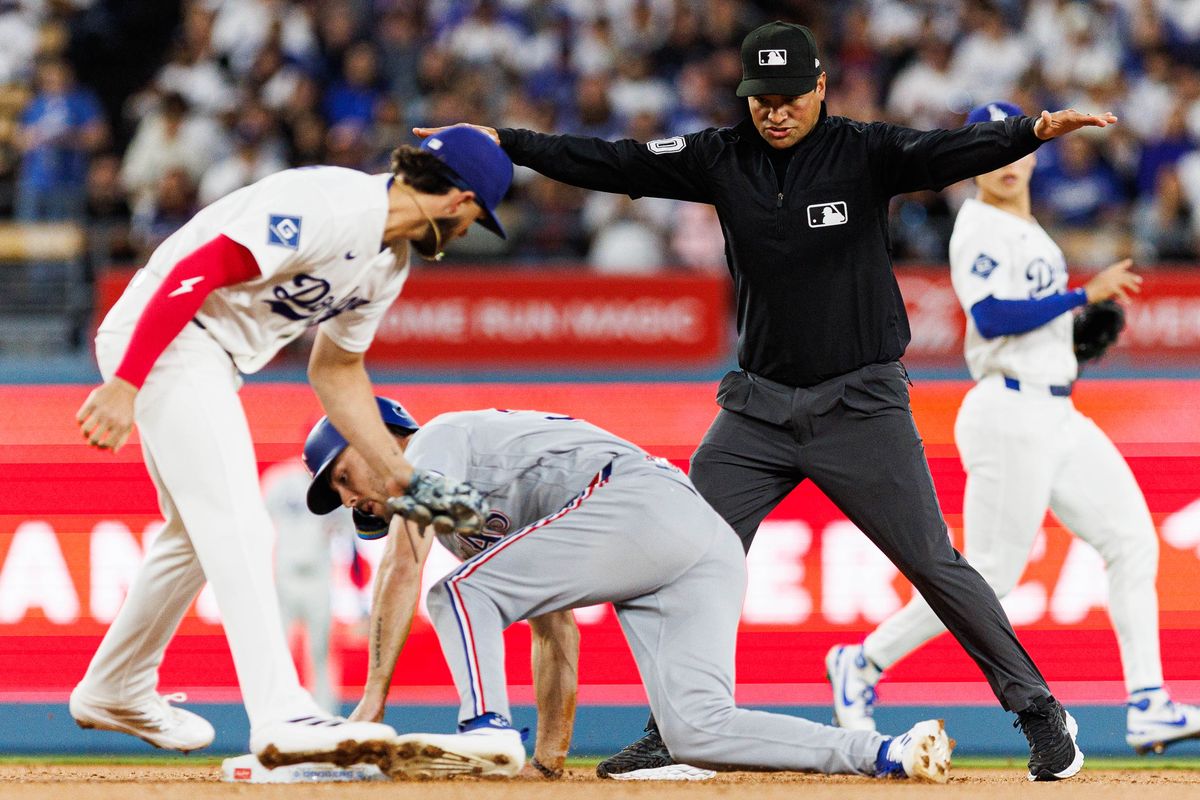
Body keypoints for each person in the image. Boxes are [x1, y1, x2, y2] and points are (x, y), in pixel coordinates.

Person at [414, 20, 1121, 782]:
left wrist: (1030, 131)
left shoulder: (862, 151)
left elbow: (943, 152)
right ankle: (672, 730)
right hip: (755, 412)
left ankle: (1041, 712)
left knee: (934, 563)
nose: (774, 112)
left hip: (860, 407)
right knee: (675, 547)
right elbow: (607, 159)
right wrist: (503, 142)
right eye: (760, 99)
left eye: (789, 97)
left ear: (820, 87)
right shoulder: (720, 159)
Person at [70, 126, 510, 767]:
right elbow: (201, 269)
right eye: (477, 215)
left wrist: (402, 477)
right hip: (168, 331)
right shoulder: (333, 206)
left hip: (211, 354)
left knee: (193, 534)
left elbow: (336, 372)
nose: (471, 230)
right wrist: (127, 381)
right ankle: (278, 713)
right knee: (236, 522)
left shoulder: (388, 263)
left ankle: (114, 685)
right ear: (456, 200)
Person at [302, 399, 956, 783]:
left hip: (636, 499)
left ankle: (484, 726)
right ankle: (884, 752)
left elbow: (401, 569)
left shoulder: (432, 442)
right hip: (698, 542)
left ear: (379, 435)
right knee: (699, 731)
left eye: (343, 472)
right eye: (337, 493)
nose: (348, 494)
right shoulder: (467, 521)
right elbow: (555, 630)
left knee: (458, 594)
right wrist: (548, 763)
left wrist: (370, 704)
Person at [827, 101, 1200, 756]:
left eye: (1015, 148)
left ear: (1032, 154)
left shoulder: (1032, 232)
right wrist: (1084, 295)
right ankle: (863, 662)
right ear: (980, 161)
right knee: (991, 576)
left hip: (1056, 409)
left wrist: (1075, 336)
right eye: (991, 150)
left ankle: (1148, 704)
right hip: (1006, 411)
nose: (1007, 163)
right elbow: (995, 318)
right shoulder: (977, 226)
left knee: (1133, 540)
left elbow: (1032, 322)